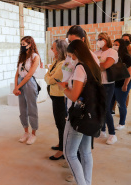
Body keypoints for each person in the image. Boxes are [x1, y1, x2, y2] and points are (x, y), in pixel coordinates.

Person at [58, 39, 102, 185]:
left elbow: (74, 96)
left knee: (69, 153)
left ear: (76, 53)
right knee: (85, 152)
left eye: (71, 55)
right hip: (91, 115)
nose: (70, 58)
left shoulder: (80, 68)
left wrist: (63, 88)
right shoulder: (93, 65)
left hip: (79, 116)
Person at [13, 36, 40, 145]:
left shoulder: (35, 57)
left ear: (30, 44)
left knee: (32, 109)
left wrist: (18, 87)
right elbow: (17, 74)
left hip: (28, 83)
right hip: (20, 82)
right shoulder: (22, 57)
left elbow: (29, 75)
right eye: (21, 44)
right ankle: (26, 132)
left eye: (24, 44)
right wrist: (16, 87)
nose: (22, 46)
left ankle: (33, 133)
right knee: (22, 109)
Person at [44, 39, 68, 160]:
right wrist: (49, 76)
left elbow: (51, 79)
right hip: (54, 96)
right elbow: (47, 75)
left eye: (53, 48)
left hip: (60, 97)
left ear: (59, 50)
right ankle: (61, 142)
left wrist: (49, 77)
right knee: (58, 123)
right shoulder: (56, 62)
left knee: (61, 123)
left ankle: (62, 150)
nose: (51, 50)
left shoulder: (63, 63)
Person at [94, 32, 118, 145]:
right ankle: (102, 130)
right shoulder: (96, 52)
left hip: (108, 83)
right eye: (98, 39)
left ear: (107, 39)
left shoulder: (112, 52)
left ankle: (112, 134)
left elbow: (105, 65)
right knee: (99, 107)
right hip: (98, 83)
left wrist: (94, 66)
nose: (99, 40)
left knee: (106, 108)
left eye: (101, 38)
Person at [111, 39, 131, 130]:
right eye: (114, 44)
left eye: (116, 45)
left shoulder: (127, 57)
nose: (114, 46)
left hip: (123, 83)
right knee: (111, 101)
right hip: (114, 82)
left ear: (122, 46)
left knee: (121, 103)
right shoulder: (114, 56)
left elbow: (129, 73)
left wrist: (125, 84)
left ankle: (122, 123)